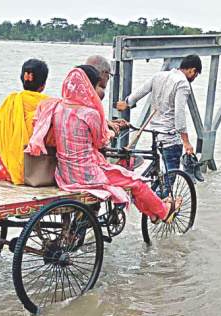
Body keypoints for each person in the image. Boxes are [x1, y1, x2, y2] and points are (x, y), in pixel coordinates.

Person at [27, 66, 182, 224]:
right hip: (88, 174)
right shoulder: (90, 113)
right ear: (89, 87)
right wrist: (112, 133)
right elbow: (100, 141)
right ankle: (163, 212)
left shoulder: (57, 108)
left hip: (65, 173)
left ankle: (153, 213)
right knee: (137, 182)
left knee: (129, 180)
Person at [115, 54, 201, 181]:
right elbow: (179, 114)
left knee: (159, 174)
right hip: (170, 137)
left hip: (156, 134)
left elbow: (140, 91)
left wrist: (127, 103)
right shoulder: (183, 84)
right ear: (192, 70)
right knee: (169, 180)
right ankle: (162, 199)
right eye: (196, 74)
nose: (194, 77)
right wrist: (186, 142)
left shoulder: (158, 75)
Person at [0, 59, 49, 184]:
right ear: (43, 85)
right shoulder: (48, 106)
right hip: (38, 172)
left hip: (11, 170)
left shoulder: (10, 102)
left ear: (22, 80)